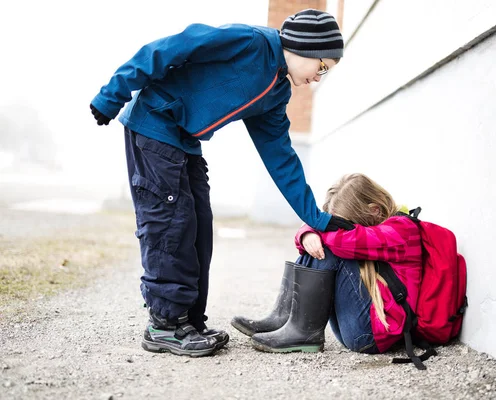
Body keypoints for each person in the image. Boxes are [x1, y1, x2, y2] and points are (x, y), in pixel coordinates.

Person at [89, 9, 354, 357]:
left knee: (199, 227)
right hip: (153, 124)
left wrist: (318, 218)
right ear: (304, 47)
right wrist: (113, 93)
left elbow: (281, 158)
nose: (319, 78)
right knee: (171, 225)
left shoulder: (276, 93)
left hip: (185, 140)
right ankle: (164, 325)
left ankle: (189, 321)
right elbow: (169, 48)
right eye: (321, 67)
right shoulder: (249, 42)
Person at [232, 173, 423, 354]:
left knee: (330, 248)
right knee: (320, 246)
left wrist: (310, 229)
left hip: (373, 336)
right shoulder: (383, 227)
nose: (339, 227)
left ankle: (303, 333)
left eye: (344, 223)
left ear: (374, 210)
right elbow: (333, 233)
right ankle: (284, 319)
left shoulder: (402, 230)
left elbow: (348, 240)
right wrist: (309, 232)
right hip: (358, 328)